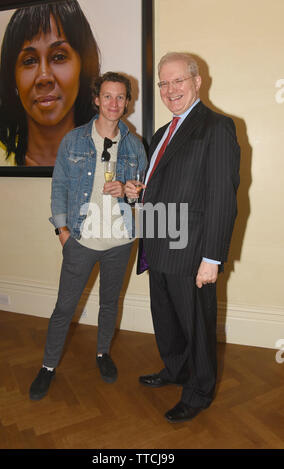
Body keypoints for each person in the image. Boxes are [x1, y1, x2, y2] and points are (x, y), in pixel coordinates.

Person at [125, 52, 240, 423]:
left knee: (197, 326)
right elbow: (165, 185)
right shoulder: (162, 132)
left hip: (192, 251)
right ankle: (175, 369)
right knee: (167, 318)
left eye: (178, 81)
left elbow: (223, 196)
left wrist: (212, 257)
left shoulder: (217, 126)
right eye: (163, 82)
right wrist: (137, 191)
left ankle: (199, 391)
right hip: (157, 240)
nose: (170, 89)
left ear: (197, 82)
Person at [29, 72, 147, 400]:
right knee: (65, 307)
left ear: (127, 102)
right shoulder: (74, 140)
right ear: (96, 99)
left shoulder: (135, 145)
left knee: (110, 303)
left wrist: (129, 191)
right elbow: (60, 187)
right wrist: (62, 230)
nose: (113, 103)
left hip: (120, 241)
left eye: (120, 97)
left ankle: (102, 353)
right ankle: (48, 366)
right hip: (80, 239)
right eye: (107, 96)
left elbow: (143, 194)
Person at [0, 0, 99, 166]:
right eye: (29, 60)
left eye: (59, 56)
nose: (44, 77)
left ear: (83, 66)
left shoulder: (116, 159)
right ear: (12, 77)